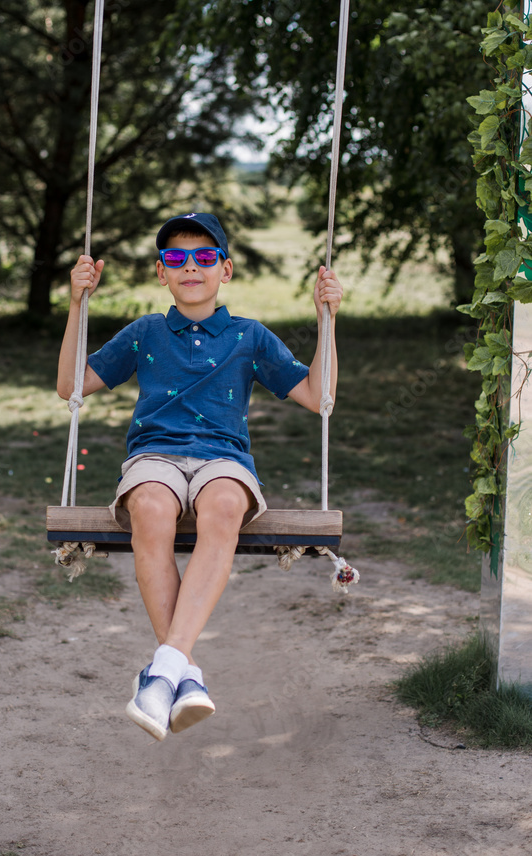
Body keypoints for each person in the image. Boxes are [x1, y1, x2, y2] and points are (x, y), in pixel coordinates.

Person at [57, 212, 343, 741]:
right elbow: (72, 383)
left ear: (225, 270)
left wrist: (326, 319)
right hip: (155, 456)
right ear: (161, 273)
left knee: (224, 506)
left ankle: (163, 672)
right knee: (150, 506)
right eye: (176, 258)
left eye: (205, 257)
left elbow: (317, 396)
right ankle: (181, 674)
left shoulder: (249, 337)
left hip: (222, 460)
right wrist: (77, 304)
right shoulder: (144, 333)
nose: (191, 266)